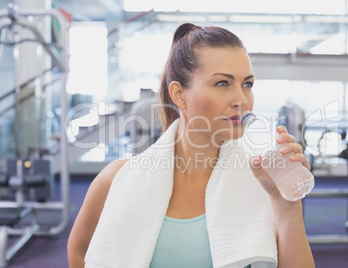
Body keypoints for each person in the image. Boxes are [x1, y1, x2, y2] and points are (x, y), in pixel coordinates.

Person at [67, 23, 315, 268]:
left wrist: (287, 206)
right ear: (179, 95)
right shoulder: (115, 180)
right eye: (222, 83)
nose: (241, 100)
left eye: (247, 84)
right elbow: (79, 252)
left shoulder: (266, 183)